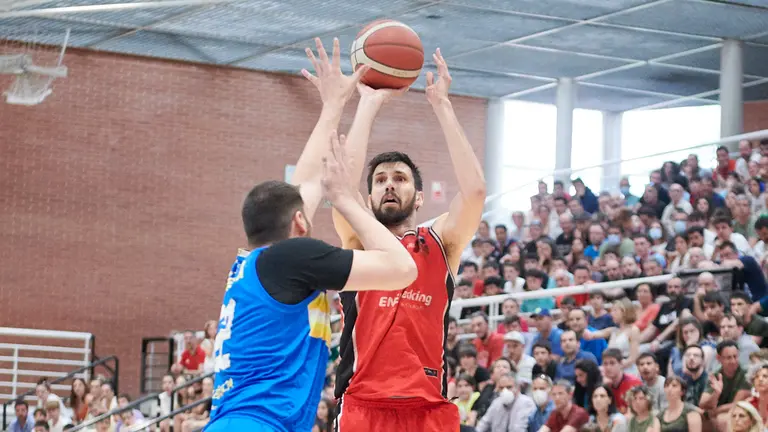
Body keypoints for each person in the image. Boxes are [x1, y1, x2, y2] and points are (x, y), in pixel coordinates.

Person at [204, 38, 422, 432]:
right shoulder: (292, 258)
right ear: (300, 224)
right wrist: (348, 202)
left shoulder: (258, 262)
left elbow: (306, 183)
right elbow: (402, 268)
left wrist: (342, 105)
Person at [331, 48, 485, 431]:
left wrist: (443, 106)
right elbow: (342, 190)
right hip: (363, 404)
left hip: (428, 407)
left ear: (418, 197)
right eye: (380, 180)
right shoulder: (359, 241)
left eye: (399, 178)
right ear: (368, 199)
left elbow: (476, 193)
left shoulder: (441, 242)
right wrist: (368, 102)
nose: (388, 185)